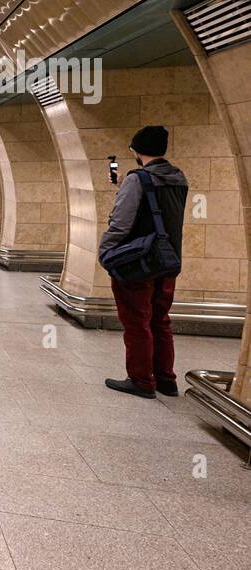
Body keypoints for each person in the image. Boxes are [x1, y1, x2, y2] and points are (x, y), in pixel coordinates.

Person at [98, 125, 188, 399]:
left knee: (137, 321)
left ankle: (141, 380)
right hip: (168, 259)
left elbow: (121, 223)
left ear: (136, 150)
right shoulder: (178, 178)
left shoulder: (137, 180)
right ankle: (166, 379)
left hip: (138, 261)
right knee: (160, 320)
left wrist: (105, 251)